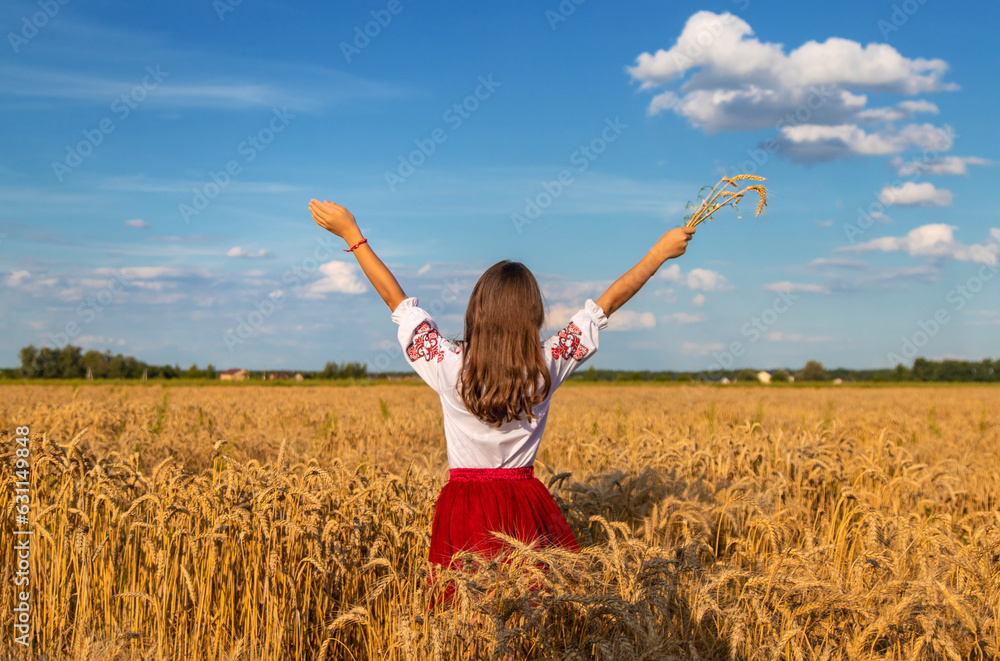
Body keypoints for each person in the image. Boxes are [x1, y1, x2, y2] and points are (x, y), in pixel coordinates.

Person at [308, 199, 695, 602]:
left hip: (463, 507)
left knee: (464, 613)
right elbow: (606, 305)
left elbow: (399, 303)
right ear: (533, 315)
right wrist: (659, 253)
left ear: (477, 310)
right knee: (529, 612)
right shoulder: (544, 363)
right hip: (524, 504)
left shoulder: (448, 363)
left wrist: (352, 234)